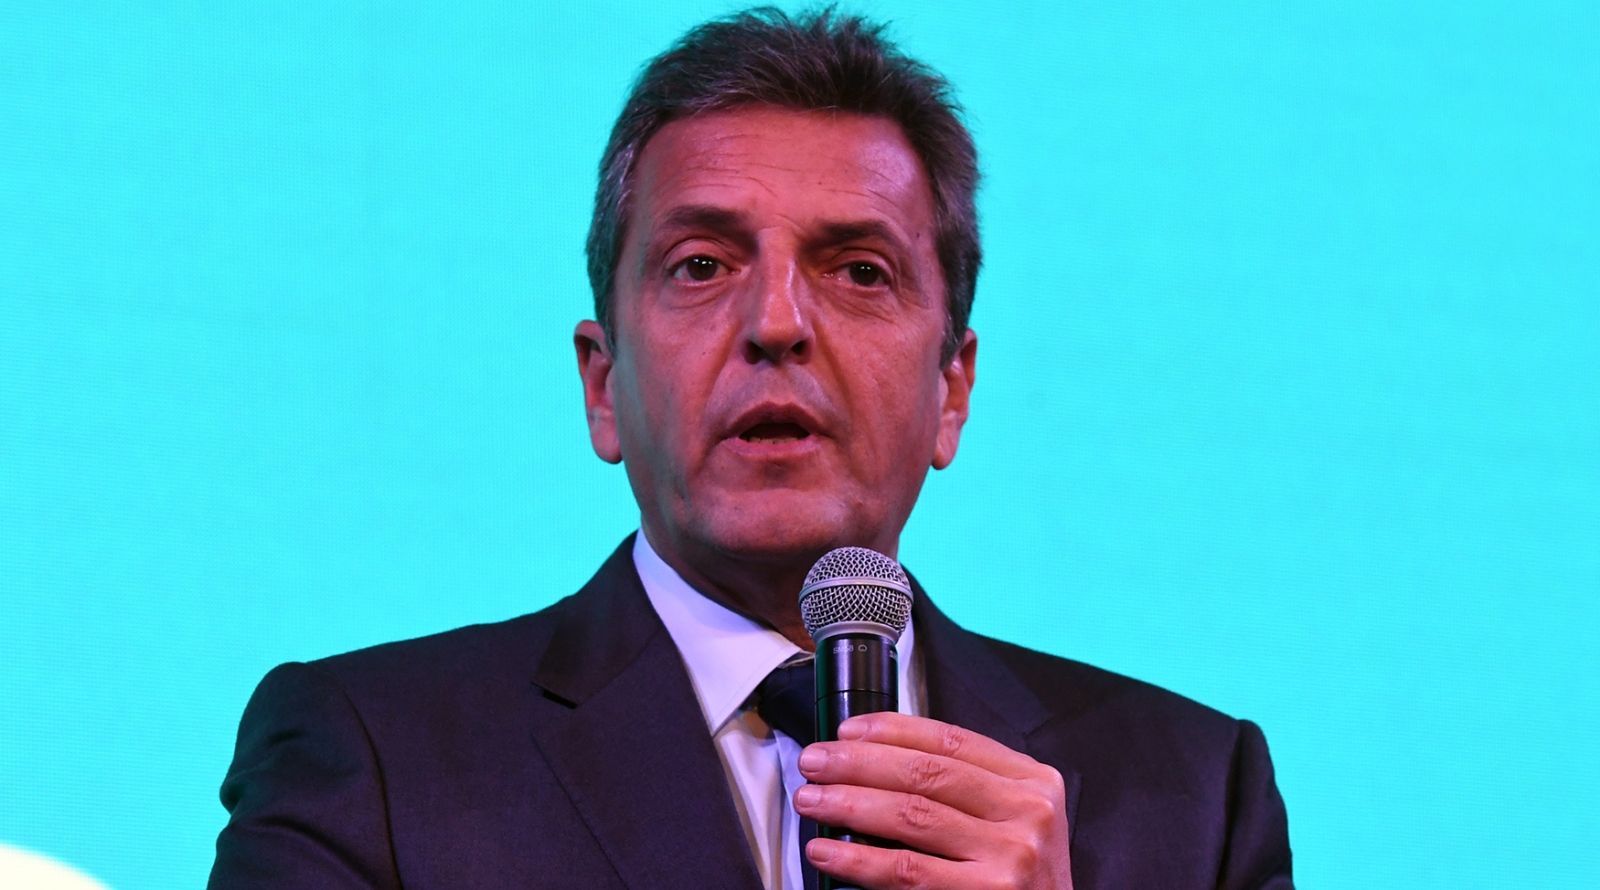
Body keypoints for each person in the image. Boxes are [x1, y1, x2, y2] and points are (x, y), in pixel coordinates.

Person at [208, 8, 1292, 889]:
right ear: (603, 386)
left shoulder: (1193, 801)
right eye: (701, 264)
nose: (777, 321)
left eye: (859, 270)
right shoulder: (374, 760)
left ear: (951, 390)